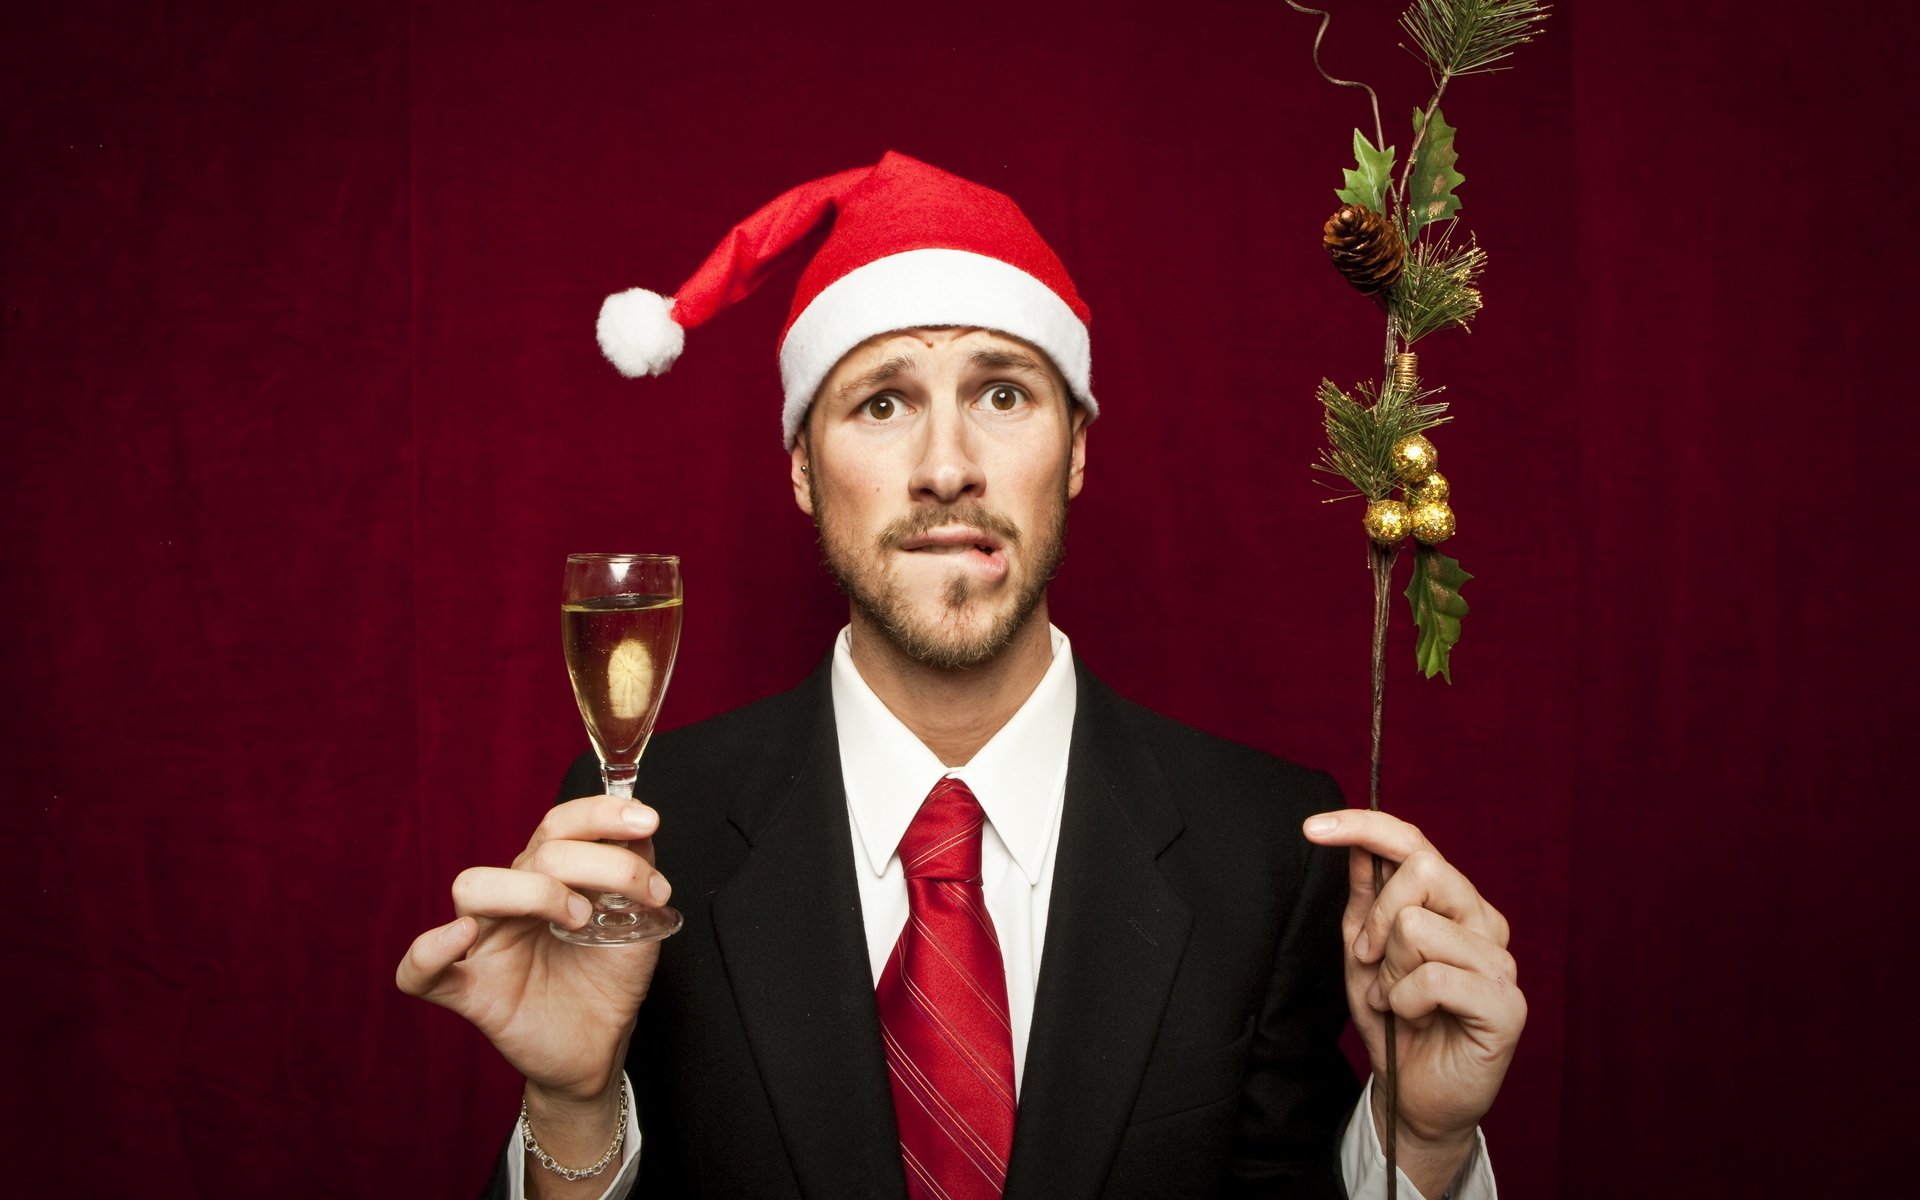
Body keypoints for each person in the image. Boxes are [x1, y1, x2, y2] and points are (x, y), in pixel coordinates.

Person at [396, 152, 1524, 1200]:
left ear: (1078, 446)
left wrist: (1420, 1148)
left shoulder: (1272, 850)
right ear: (800, 467)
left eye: (1001, 394)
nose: (946, 469)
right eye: (882, 403)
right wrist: (575, 1105)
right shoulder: (638, 846)